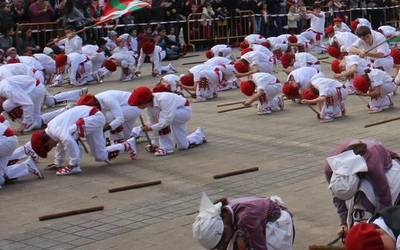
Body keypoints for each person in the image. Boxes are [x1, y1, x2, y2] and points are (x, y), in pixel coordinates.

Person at [30, 105, 137, 176]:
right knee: (100, 156)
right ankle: (127, 145)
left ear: (46, 141)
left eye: (49, 147)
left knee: (71, 135)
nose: (52, 147)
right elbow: (61, 144)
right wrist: (58, 163)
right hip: (93, 117)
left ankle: (75, 166)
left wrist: (72, 163)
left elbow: (68, 142)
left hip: (91, 117)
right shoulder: (53, 131)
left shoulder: (56, 130)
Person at [325, 139, 400, 232]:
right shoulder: (329, 168)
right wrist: (343, 223)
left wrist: (378, 225)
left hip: (385, 160)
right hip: (363, 157)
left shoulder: (373, 165)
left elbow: (385, 197)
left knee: (384, 191)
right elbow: (337, 198)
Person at [192, 193, 294, 250]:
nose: (221, 248)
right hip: (260, 221)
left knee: (242, 244)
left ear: (223, 227)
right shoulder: (223, 213)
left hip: (279, 224)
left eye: (222, 243)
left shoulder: (246, 220)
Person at [128, 86, 206, 156]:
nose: (137, 107)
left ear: (145, 101)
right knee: (183, 146)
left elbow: (166, 120)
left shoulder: (163, 99)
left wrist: (151, 128)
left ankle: (167, 147)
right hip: (174, 115)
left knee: (160, 118)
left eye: (138, 104)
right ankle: (199, 135)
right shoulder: (150, 106)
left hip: (183, 111)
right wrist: (154, 143)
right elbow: (151, 122)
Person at [76, 91, 142, 143]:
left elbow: (120, 119)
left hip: (135, 106)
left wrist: (105, 129)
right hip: (124, 108)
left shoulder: (107, 99)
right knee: (127, 137)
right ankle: (142, 130)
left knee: (109, 116)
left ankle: (116, 137)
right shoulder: (96, 100)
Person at [0, 122, 43, 189]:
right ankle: (27, 166)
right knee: (1, 174)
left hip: (4, 140)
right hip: (7, 139)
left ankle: (25, 150)